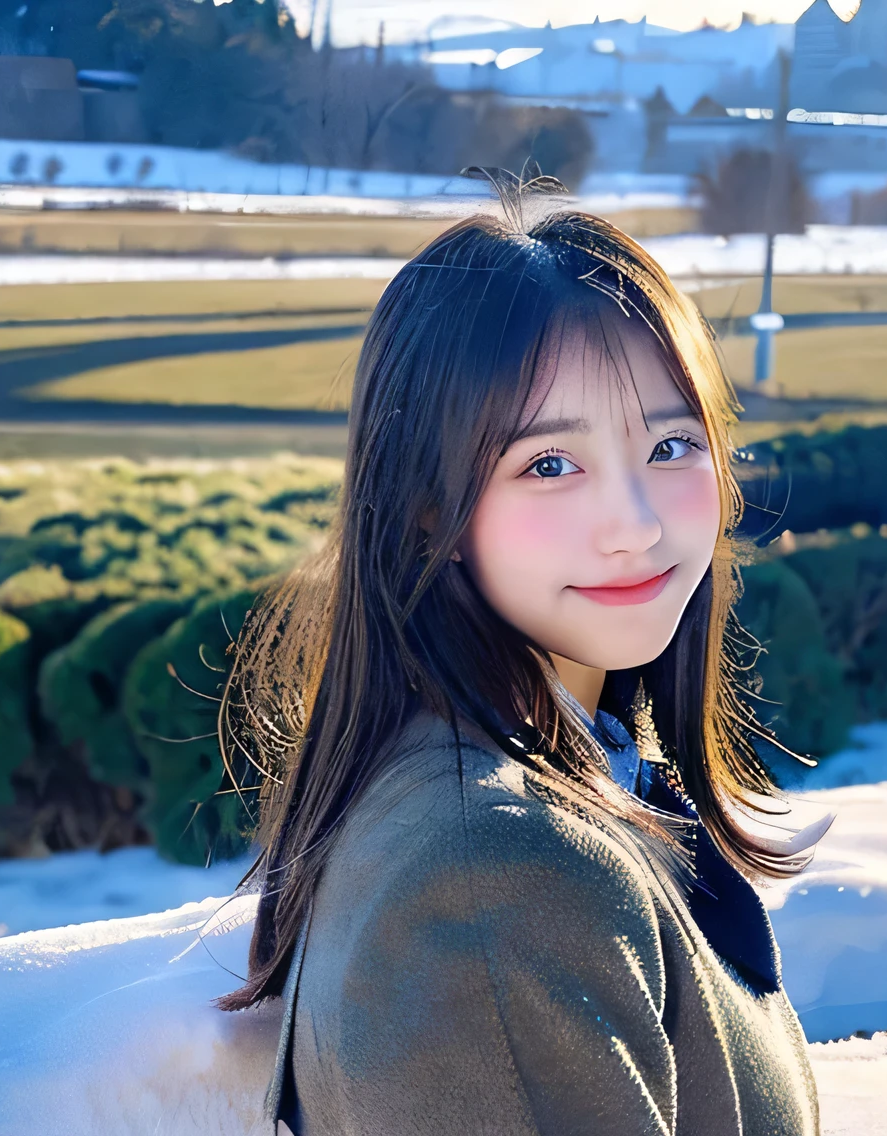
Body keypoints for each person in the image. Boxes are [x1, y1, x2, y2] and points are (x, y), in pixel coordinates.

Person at [214, 176, 824, 1136]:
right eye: (549, 464)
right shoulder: (496, 876)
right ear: (428, 512)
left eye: (671, 446)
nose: (633, 525)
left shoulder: (558, 769)